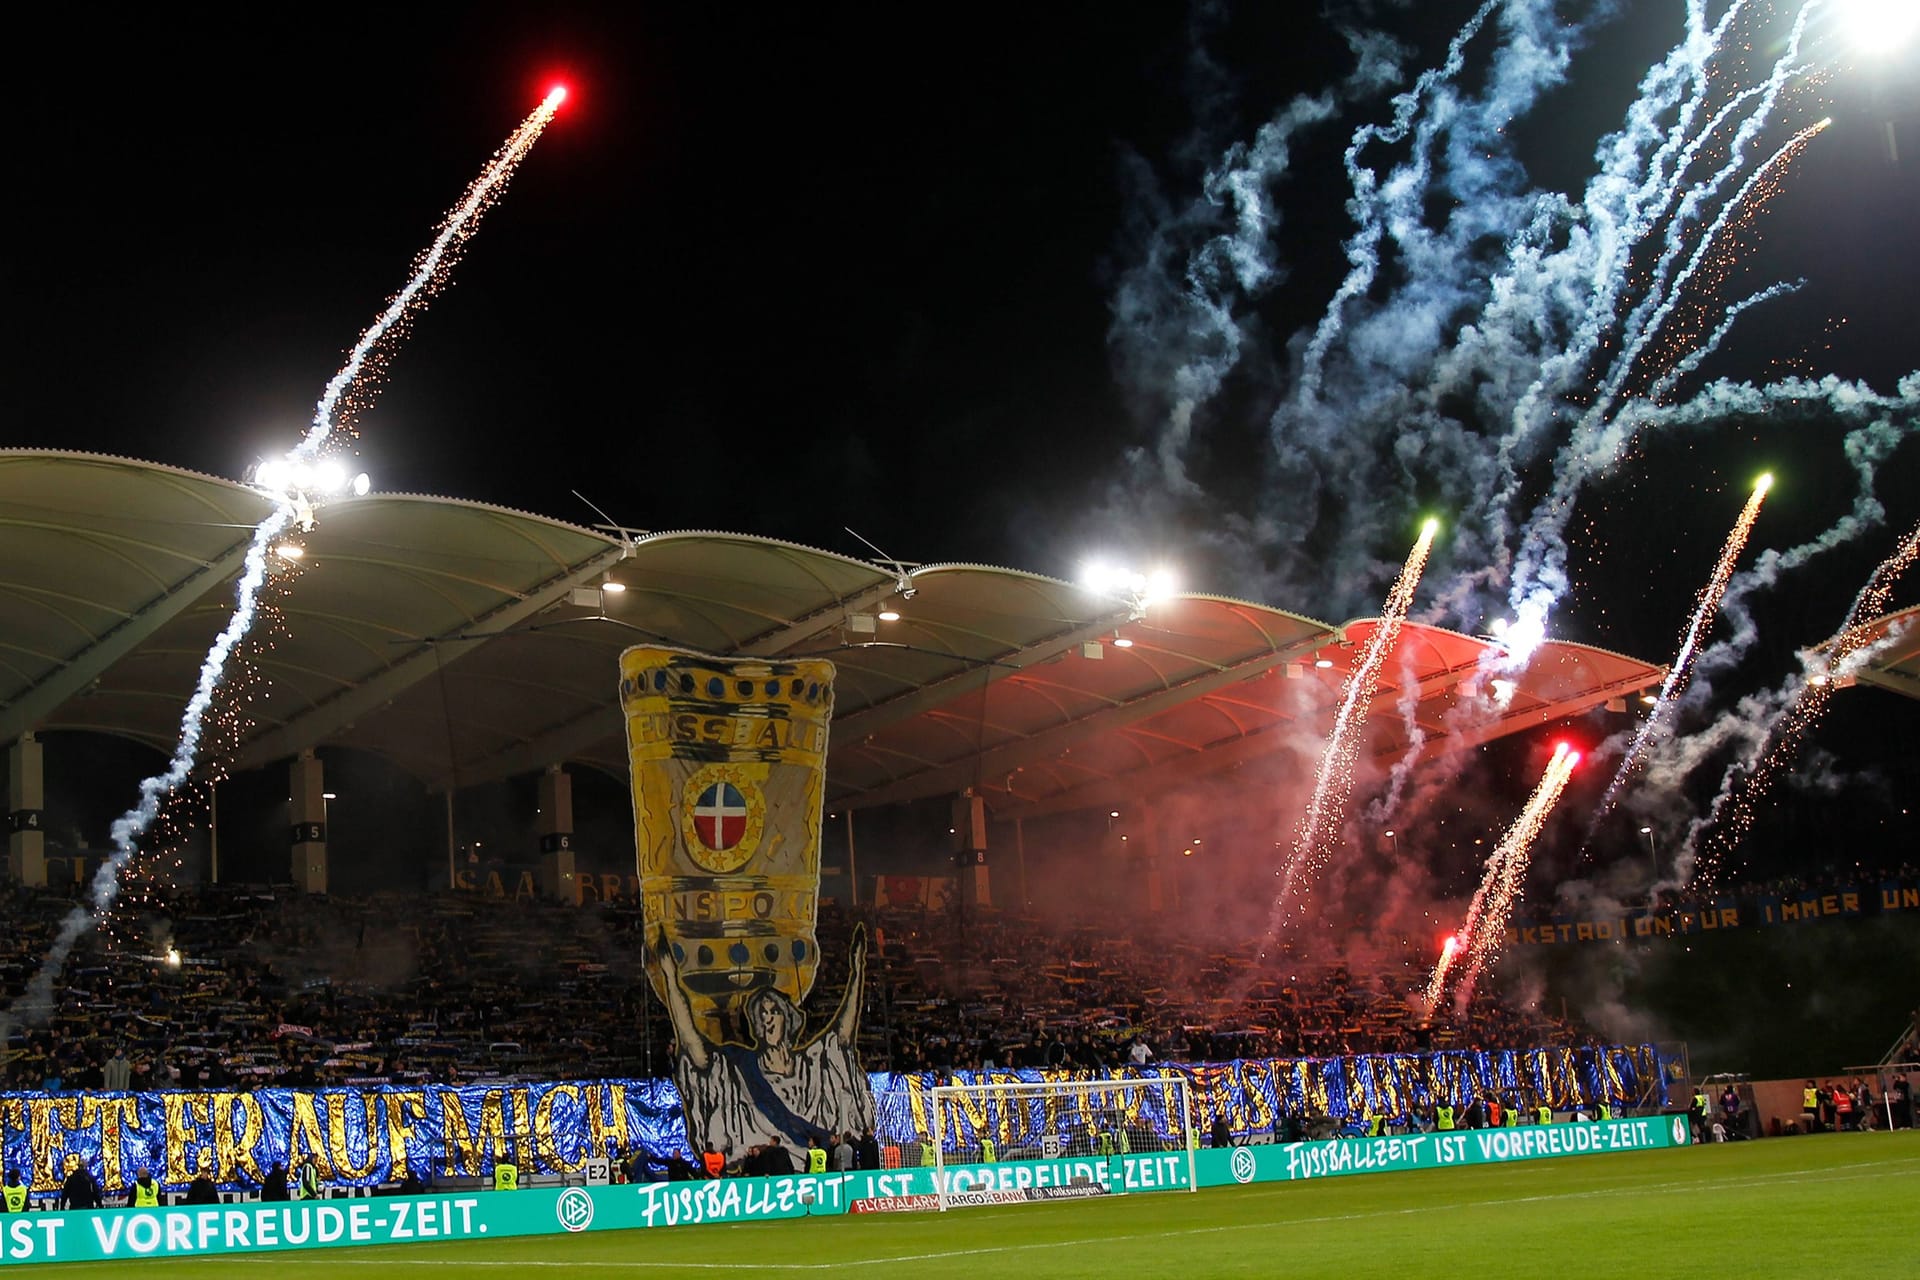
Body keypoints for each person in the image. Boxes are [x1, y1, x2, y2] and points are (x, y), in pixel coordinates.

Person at [658, 926, 875, 1157]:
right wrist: (671, 978)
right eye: (760, 1014)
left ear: (787, 1019)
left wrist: (858, 971)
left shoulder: (812, 1066)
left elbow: (843, 1033)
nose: (766, 1019)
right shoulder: (740, 1066)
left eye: (773, 1012)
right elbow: (692, 1043)